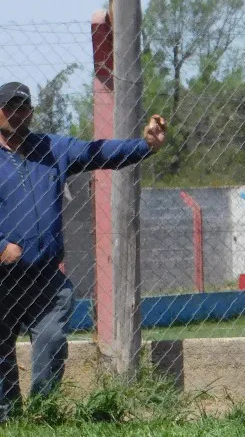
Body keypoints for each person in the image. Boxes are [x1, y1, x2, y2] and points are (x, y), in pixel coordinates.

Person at [0, 81, 167, 418]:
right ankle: (7, 417)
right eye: (9, 108)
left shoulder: (52, 149)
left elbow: (97, 152)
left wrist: (144, 146)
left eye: (23, 107)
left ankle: (42, 413)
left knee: (51, 341)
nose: (17, 114)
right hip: (3, 280)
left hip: (44, 280)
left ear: (31, 112)